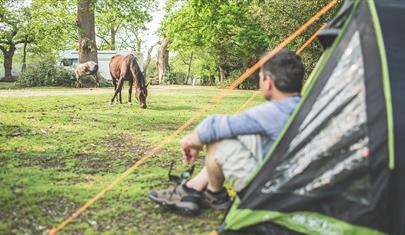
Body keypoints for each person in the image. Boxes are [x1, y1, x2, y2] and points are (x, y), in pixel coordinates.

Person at [149, 49, 305, 213]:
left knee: (218, 140)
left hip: (272, 193)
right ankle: (197, 189)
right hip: (295, 183)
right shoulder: (309, 106)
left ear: (268, 82)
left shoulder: (275, 112)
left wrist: (191, 141)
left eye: (260, 77)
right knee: (237, 134)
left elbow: (212, 126)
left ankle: (209, 194)